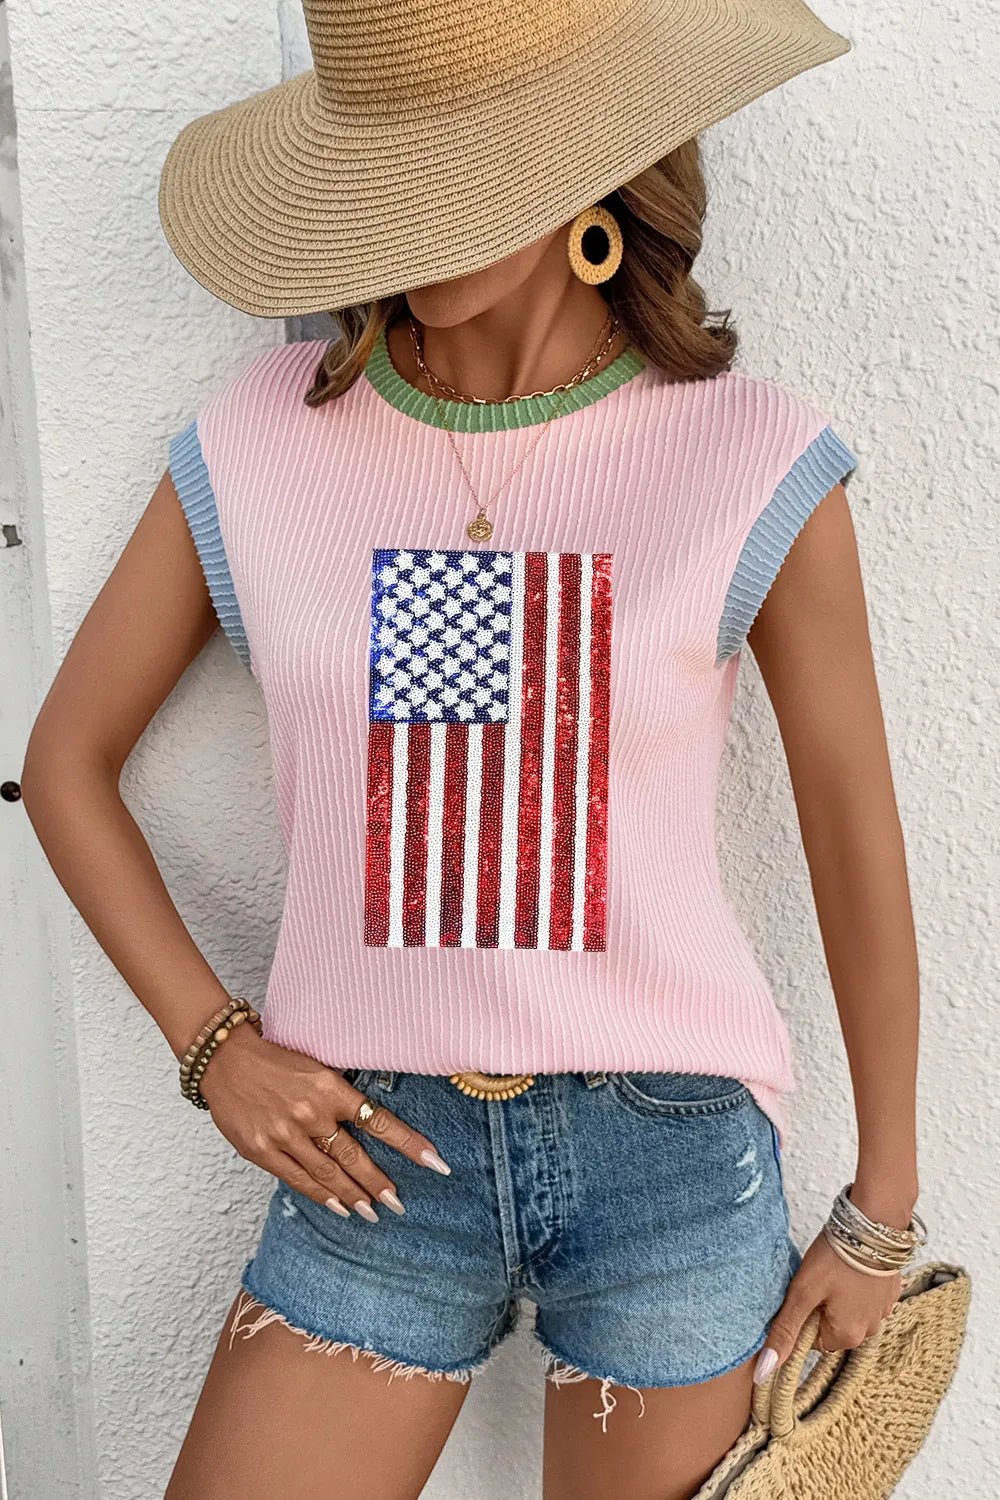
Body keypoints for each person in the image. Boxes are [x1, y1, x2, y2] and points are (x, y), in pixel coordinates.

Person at [20, 2, 926, 1497]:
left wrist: (881, 1210)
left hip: (669, 1153)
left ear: (591, 167)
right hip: (372, 1150)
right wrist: (214, 1046)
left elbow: (853, 831)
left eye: (467, 169)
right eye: (389, 175)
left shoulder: (747, 452)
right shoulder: (262, 439)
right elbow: (64, 764)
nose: (418, 224)